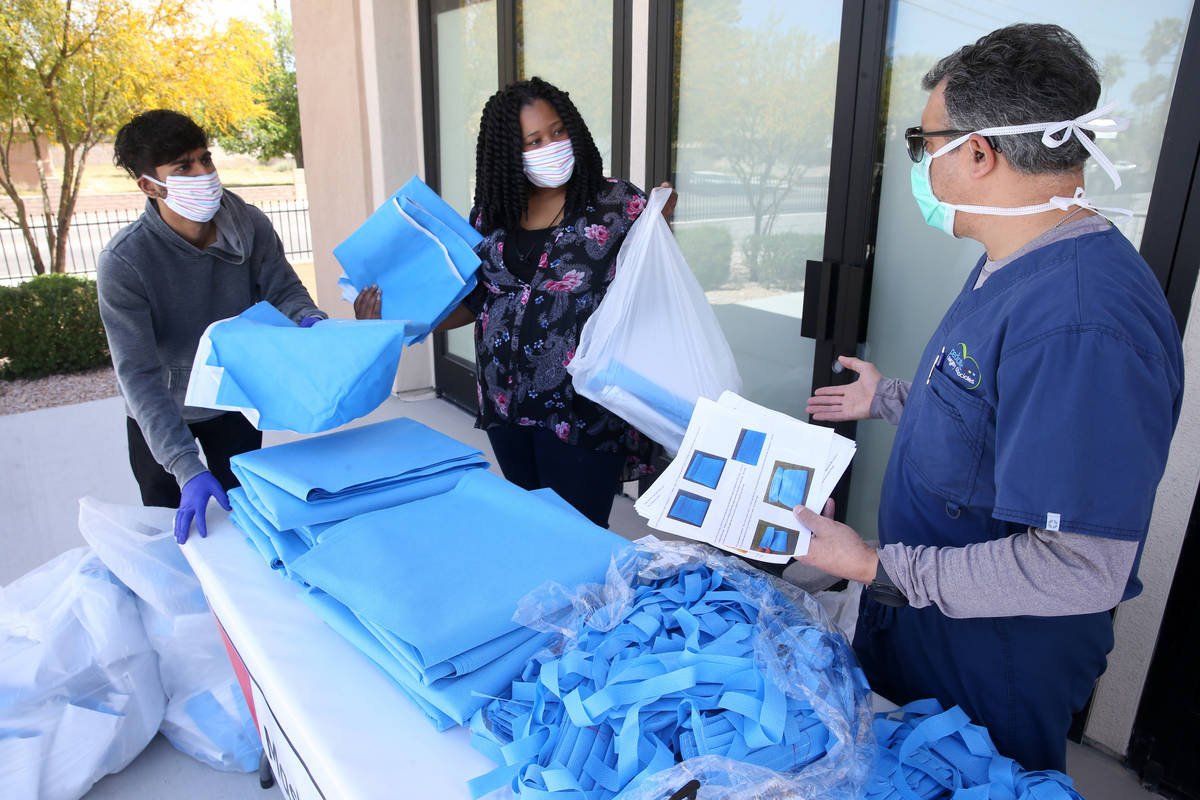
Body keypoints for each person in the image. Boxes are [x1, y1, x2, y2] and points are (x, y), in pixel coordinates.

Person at [795, 24, 1183, 772]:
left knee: (973, 783)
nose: (919, 164)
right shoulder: (1015, 259)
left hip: (994, 653)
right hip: (928, 621)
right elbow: (999, 411)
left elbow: (1080, 566)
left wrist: (876, 567)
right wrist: (893, 398)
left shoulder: (1082, 319)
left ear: (978, 153)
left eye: (923, 143)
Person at [358, 77, 675, 527]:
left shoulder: (618, 204)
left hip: (582, 410)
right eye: (534, 141)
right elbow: (477, 301)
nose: (553, 145)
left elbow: (656, 291)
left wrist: (660, 225)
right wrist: (397, 319)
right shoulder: (492, 214)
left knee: (579, 534)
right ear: (509, 152)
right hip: (505, 404)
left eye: (559, 131)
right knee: (529, 524)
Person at [98, 110, 327, 545]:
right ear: (149, 185)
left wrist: (310, 321)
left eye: (205, 159)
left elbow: (284, 290)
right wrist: (185, 466)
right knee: (173, 529)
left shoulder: (249, 225)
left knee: (243, 515)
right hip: (163, 410)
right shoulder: (125, 263)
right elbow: (139, 376)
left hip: (231, 396)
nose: (203, 173)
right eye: (183, 166)